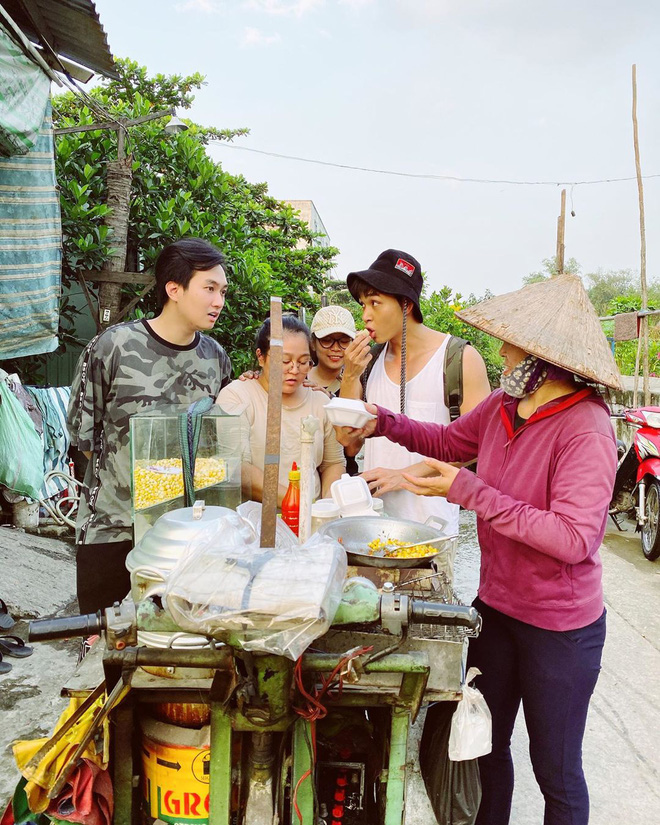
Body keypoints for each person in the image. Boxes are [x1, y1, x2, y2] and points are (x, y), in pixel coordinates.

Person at [340, 272, 622, 825]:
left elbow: (572, 537)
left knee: (556, 769)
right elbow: (448, 442)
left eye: (509, 344)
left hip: (560, 630)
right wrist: (383, 421)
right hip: (497, 609)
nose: (500, 352)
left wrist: (466, 490)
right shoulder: (502, 406)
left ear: (545, 358)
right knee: (485, 748)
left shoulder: (586, 427)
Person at [67, 238, 232, 615]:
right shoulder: (113, 346)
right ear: (174, 289)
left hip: (186, 535)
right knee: (107, 651)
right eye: (209, 288)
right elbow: (84, 437)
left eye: (222, 291)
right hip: (112, 530)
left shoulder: (215, 359)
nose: (218, 301)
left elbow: (216, 443)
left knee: (177, 656)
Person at [337, 248, 491, 535]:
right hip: (372, 524)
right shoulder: (369, 364)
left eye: (375, 302)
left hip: (434, 528)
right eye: (362, 305)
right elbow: (348, 441)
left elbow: (478, 444)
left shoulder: (460, 359)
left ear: (405, 305)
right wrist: (351, 375)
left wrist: (402, 477)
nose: (366, 316)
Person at [216, 314, 346, 505]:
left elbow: (333, 463)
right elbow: (238, 469)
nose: (294, 369)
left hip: (311, 518)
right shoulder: (236, 397)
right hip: (255, 520)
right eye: (284, 361)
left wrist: (325, 508)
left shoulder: (319, 401)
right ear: (260, 357)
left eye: (303, 362)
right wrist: (297, 503)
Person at [308, 305, 357, 394]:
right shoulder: (296, 379)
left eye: (344, 341)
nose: (336, 348)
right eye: (327, 341)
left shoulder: (360, 383)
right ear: (313, 343)